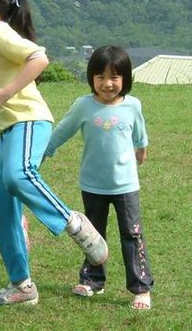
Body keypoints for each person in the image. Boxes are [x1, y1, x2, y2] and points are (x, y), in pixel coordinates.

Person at [0, 0, 107, 307]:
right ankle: (22, 286)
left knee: (19, 175)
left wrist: (4, 93)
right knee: (2, 210)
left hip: (29, 121)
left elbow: (39, 58)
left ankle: (73, 222)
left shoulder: (3, 33)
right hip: (8, 130)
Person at [43, 45, 154, 310]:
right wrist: (43, 152)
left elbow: (139, 132)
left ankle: (140, 287)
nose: (108, 84)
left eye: (115, 77)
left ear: (125, 79)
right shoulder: (84, 106)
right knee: (92, 234)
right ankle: (93, 280)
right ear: (91, 78)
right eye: (101, 77)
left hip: (125, 185)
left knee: (132, 234)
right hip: (93, 185)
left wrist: (142, 148)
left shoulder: (132, 105)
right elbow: (62, 131)